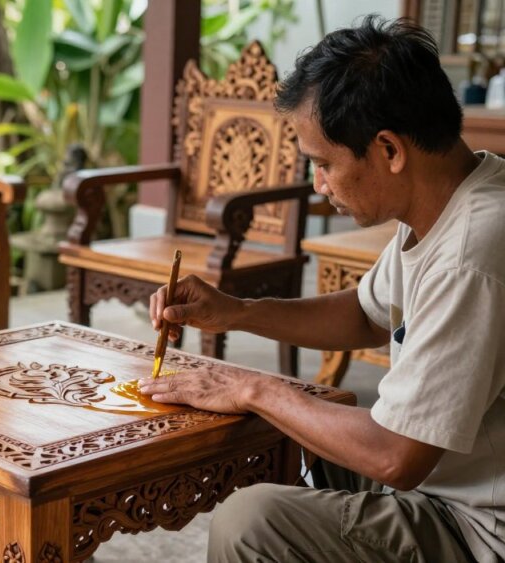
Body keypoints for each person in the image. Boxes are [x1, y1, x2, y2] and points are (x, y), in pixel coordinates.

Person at [138, 15, 504, 562]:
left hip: (476, 527)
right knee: (297, 442)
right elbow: (364, 314)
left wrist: (254, 388)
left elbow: (394, 457)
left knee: (251, 522)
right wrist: (235, 311)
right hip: (444, 485)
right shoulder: (451, 195)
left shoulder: (471, 250)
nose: (319, 184)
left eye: (324, 163)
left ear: (389, 150)